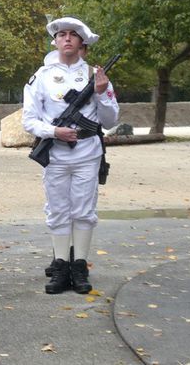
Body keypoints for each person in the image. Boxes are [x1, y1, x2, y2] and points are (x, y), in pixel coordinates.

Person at [23, 17, 118, 295]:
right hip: (55, 153)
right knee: (58, 210)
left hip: (87, 152)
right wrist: (54, 131)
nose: (66, 39)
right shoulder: (40, 77)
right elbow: (29, 121)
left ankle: (79, 266)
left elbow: (111, 119)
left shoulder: (95, 75)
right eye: (61, 34)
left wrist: (100, 94)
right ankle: (61, 266)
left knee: (84, 211)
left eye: (72, 35)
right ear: (55, 41)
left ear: (82, 42)